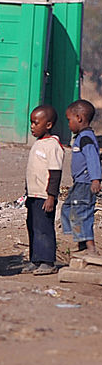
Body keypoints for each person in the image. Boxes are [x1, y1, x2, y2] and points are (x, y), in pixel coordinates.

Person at [22, 105, 64, 275]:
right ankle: (36, 259)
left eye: (36, 123)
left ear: (48, 125)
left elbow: (55, 174)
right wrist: (27, 194)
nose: (32, 126)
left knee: (44, 228)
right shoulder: (38, 144)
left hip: (44, 196)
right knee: (32, 227)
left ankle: (48, 261)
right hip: (33, 196)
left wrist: (51, 197)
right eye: (31, 122)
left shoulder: (52, 145)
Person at [61, 99, 102, 256]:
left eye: (69, 120)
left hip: (86, 183)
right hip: (79, 183)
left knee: (82, 212)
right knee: (69, 208)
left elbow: (93, 159)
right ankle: (81, 244)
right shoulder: (81, 137)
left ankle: (90, 248)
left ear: (79, 118)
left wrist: (95, 180)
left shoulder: (86, 138)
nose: (68, 124)